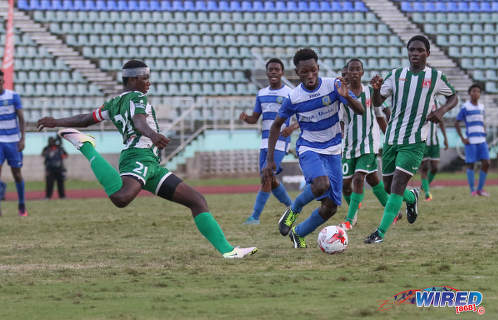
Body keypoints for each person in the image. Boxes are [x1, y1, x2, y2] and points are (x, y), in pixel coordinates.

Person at [37, 60, 257, 259]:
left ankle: (229, 251)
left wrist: (55, 121)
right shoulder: (137, 97)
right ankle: (87, 147)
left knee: (197, 200)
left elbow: (85, 118)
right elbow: (138, 120)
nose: (148, 83)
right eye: (145, 78)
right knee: (121, 198)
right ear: (132, 79)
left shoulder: (114, 103)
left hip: (151, 163)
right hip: (138, 157)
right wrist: (153, 135)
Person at [265, 48, 363, 248]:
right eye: (304, 72)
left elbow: (360, 111)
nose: (310, 75)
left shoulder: (333, 85)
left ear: (318, 68)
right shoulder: (294, 97)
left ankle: (298, 233)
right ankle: (293, 210)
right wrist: (269, 159)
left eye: (313, 70)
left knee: (331, 207)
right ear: (297, 73)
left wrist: (348, 97)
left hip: (334, 150)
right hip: (309, 147)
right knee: (320, 184)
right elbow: (276, 125)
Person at [366, 35, 458, 244]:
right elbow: (379, 101)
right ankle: (412, 197)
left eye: (419, 50)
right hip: (391, 138)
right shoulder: (396, 75)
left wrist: (442, 110)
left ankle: (379, 233)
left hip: (415, 140)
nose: (415, 53)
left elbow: (453, 97)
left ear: (427, 53)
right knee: (389, 187)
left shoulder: (435, 77)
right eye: (412, 50)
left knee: (398, 182)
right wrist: (376, 89)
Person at [239, 58, 296, 225]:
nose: (273, 72)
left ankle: (255, 217)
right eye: (270, 69)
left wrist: (292, 128)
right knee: (268, 178)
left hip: (281, 141)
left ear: (282, 73)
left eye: (277, 69)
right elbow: (255, 118)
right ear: (266, 72)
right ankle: (292, 207)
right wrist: (246, 118)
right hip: (265, 142)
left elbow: (301, 117)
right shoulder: (261, 93)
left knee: (267, 174)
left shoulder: (290, 94)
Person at [338, 58, 390, 231]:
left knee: (359, 178)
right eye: (350, 70)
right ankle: (393, 210)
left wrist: (388, 138)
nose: (353, 72)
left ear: (362, 72)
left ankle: (350, 219)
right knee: (352, 184)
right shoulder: (341, 96)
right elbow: (341, 122)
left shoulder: (369, 92)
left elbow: (380, 112)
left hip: (368, 144)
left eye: (357, 69)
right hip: (349, 146)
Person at [0, 70, 27, 217]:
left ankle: (22, 205)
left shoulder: (13, 96)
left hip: (13, 141)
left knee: (16, 174)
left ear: (3, 82)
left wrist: (22, 139)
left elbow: (21, 118)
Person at [454, 84, 489, 197]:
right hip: (471, 140)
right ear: (469, 93)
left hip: (482, 139)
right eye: (473, 91)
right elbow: (456, 122)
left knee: (486, 163)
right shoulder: (465, 107)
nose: (476, 93)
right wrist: (462, 138)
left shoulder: (482, 107)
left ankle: (480, 190)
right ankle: (472, 190)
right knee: (471, 164)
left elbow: (482, 121)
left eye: (478, 91)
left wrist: (484, 130)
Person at [420, 98, 448, 201]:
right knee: (424, 167)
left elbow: (441, 121)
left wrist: (445, 138)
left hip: (434, 142)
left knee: (435, 167)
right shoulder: (421, 99)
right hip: (423, 140)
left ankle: (424, 186)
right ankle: (427, 193)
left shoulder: (437, 102)